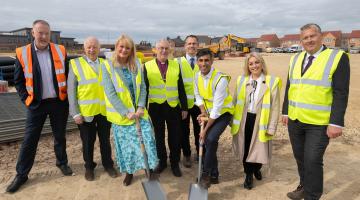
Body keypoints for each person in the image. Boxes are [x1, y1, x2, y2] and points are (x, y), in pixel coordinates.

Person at [282, 23, 350, 200]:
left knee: (312, 160)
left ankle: (312, 196)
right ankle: (304, 186)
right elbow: (290, 86)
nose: (309, 40)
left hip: (319, 123)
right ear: (301, 41)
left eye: (312, 36)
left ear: (320, 36)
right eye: (305, 38)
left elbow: (340, 92)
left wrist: (335, 122)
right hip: (296, 119)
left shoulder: (337, 57)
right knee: (300, 158)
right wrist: (286, 112)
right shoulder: (295, 59)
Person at [7, 20, 73, 193]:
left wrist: (67, 99)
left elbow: (67, 75)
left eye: (46, 33)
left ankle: (62, 162)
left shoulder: (60, 50)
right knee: (30, 140)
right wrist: (26, 99)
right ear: (33, 33)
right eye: (40, 33)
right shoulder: (22, 53)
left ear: (50, 33)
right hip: (36, 105)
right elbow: (18, 81)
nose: (43, 36)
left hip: (58, 103)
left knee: (60, 136)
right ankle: (21, 175)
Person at [101, 34, 158, 186]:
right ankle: (129, 173)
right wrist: (126, 112)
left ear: (131, 50)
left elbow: (143, 87)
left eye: (128, 47)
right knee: (127, 147)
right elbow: (110, 93)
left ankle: (149, 169)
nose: (124, 50)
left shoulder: (137, 63)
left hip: (139, 113)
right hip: (122, 116)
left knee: (147, 140)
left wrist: (140, 107)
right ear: (116, 47)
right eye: (121, 46)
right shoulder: (107, 65)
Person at [67, 36, 117, 181]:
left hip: (104, 111)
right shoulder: (75, 64)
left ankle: (108, 165)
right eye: (89, 47)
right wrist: (75, 113)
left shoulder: (105, 63)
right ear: (84, 48)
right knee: (88, 142)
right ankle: (89, 167)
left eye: (94, 47)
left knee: (105, 141)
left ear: (99, 48)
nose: (91, 49)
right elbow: (71, 91)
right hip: (86, 112)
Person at [231, 52, 281, 190]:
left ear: (262, 63)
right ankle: (248, 174)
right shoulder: (242, 80)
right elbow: (235, 101)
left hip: (261, 122)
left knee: (259, 149)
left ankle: (256, 167)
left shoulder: (272, 81)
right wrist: (231, 120)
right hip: (244, 120)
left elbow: (275, 107)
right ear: (247, 66)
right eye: (251, 63)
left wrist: (271, 127)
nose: (254, 66)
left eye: (257, 62)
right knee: (245, 148)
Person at [144, 39, 188, 177]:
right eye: (161, 48)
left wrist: (184, 107)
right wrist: (143, 109)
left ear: (169, 50)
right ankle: (162, 162)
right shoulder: (147, 66)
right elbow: (144, 89)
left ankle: (174, 163)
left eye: (166, 48)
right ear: (155, 49)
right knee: (159, 136)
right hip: (156, 107)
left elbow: (181, 87)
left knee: (174, 137)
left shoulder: (175, 65)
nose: (164, 51)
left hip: (173, 107)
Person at [195, 49, 234, 188]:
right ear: (197, 62)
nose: (203, 63)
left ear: (212, 61)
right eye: (201, 60)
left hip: (223, 113)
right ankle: (214, 174)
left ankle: (205, 174)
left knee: (210, 139)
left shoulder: (220, 79)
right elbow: (198, 96)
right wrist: (203, 111)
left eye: (206, 60)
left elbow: (217, 108)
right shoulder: (197, 76)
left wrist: (204, 131)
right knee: (210, 142)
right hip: (210, 113)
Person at [175, 35, 201, 168]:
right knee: (183, 131)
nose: (192, 46)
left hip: (199, 105)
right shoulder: (177, 62)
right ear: (185, 46)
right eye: (189, 43)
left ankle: (200, 153)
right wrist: (182, 106)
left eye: (194, 43)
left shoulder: (202, 61)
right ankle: (186, 155)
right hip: (183, 105)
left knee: (199, 131)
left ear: (198, 46)